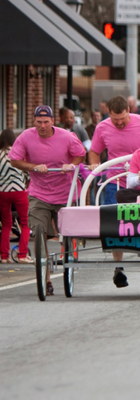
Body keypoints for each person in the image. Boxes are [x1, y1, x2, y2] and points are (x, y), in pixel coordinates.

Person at [9, 106, 86, 296]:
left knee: (66, 233)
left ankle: (68, 254)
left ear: (53, 121)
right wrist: (34, 167)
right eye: (39, 122)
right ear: (34, 122)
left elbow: (80, 153)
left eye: (46, 122)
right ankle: (46, 278)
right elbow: (14, 160)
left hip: (65, 192)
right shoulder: (26, 137)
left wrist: (71, 165)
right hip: (39, 193)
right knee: (39, 231)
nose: (42, 126)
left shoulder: (66, 136)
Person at [88, 95, 140, 288]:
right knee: (115, 220)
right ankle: (118, 267)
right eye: (114, 119)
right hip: (114, 180)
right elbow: (94, 151)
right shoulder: (102, 127)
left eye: (122, 119)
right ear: (108, 113)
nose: (119, 123)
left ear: (129, 111)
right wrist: (94, 163)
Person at [0, 129, 31, 264]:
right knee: (25, 223)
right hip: (19, 191)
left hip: (2, 192)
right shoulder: (19, 154)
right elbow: (28, 175)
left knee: (6, 224)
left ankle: (4, 256)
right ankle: (22, 254)